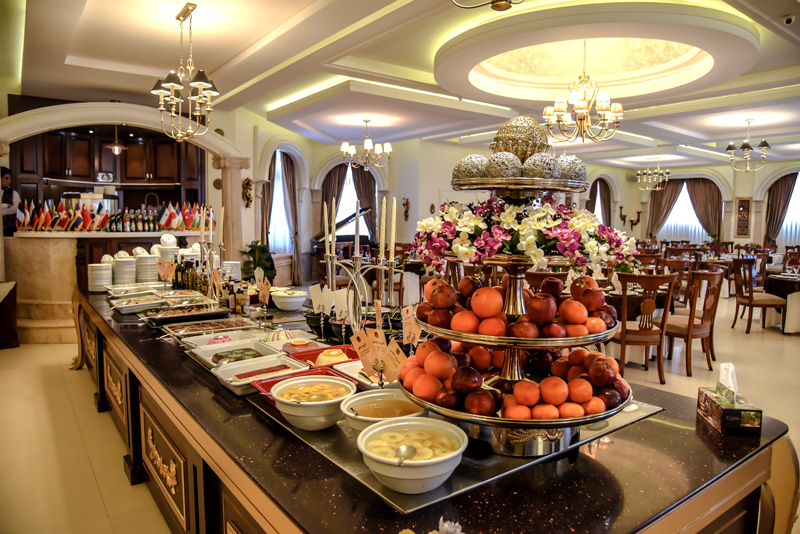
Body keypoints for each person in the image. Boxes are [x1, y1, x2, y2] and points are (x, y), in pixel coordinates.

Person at [2, 166, 22, 237]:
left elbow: (16, 209)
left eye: (10, 178)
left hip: (10, 229)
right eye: (6, 178)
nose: (9, 181)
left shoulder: (14, 193)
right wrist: (6, 205)